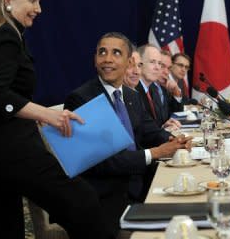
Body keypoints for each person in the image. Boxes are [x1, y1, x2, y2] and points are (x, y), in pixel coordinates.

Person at [0, 0, 113, 239]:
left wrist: (34, 114)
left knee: (2, 229)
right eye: (32, 0)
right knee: (81, 201)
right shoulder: (5, 37)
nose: (38, 8)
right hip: (3, 149)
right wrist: (48, 115)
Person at [64, 32, 191, 233]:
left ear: (128, 61)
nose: (107, 58)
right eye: (102, 52)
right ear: (95, 60)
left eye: (116, 53)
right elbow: (105, 161)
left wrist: (176, 140)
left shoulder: (131, 96)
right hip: (104, 197)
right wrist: (157, 153)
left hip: (137, 184)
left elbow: (151, 132)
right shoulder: (82, 98)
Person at [136, 44, 181, 128]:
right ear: (139, 64)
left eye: (159, 63)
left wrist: (163, 128)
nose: (157, 67)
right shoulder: (133, 91)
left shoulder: (151, 90)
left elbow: (151, 127)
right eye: (152, 62)